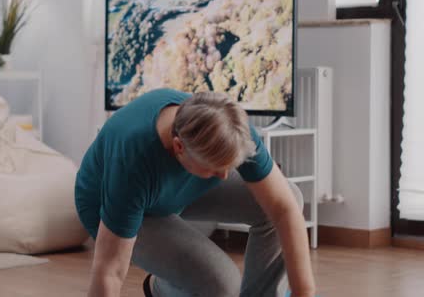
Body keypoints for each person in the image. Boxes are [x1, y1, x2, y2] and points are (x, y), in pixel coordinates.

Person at [75, 88, 316, 297]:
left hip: (179, 184)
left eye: (228, 165)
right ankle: (168, 289)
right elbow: (110, 271)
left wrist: (303, 291)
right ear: (179, 146)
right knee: (223, 285)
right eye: (215, 168)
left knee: (290, 195)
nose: (224, 176)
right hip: (107, 205)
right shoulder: (133, 163)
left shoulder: (228, 128)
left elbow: (283, 209)